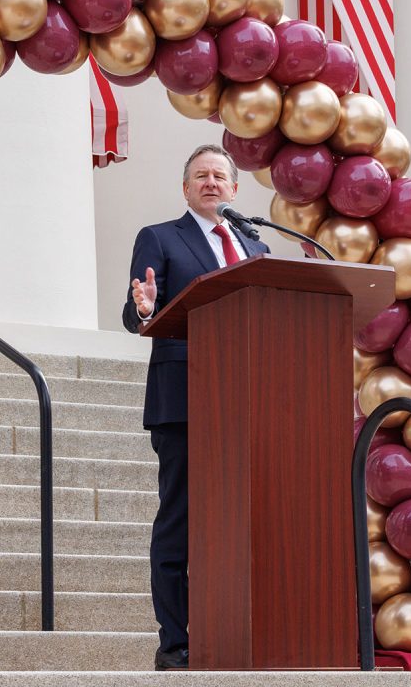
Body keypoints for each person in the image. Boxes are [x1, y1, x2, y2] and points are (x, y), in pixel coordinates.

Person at [122, 144, 270, 671]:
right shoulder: (161, 237)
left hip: (249, 403)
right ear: (186, 189)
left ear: (234, 189)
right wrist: (142, 308)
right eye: (200, 176)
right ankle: (176, 644)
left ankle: (242, 633)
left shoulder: (255, 247)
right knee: (180, 522)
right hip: (184, 400)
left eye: (219, 176)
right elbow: (141, 305)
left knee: (248, 522)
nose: (211, 183)